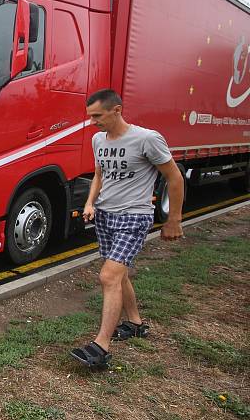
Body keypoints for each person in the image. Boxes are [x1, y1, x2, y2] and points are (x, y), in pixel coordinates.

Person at [70, 89, 184, 367]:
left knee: (108, 277)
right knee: (118, 276)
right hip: (106, 216)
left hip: (134, 218)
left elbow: (174, 177)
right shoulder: (98, 139)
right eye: (90, 116)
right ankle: (135, 323)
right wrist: (90, 202)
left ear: (117, 110)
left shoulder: (147, 139)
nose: (92, 122)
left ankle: (100, 348)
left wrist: (174, 219)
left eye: (97, 115)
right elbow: (99, 174)